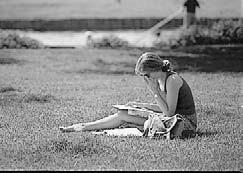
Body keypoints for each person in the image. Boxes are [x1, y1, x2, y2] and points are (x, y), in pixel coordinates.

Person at [59, 52, 197, 136]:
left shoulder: (172, 80)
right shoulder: (161, 79)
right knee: (124, 114)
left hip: (183, 124)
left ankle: (82, 128)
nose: (146, 79)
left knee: (124, 116)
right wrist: (141, 106)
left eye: (146, 75)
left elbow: (169, 113)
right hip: (173, 119)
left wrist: (155, 92)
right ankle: (82, 127)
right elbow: (166, 107)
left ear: (154, 69)